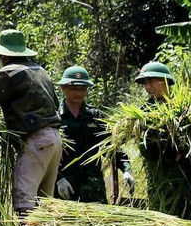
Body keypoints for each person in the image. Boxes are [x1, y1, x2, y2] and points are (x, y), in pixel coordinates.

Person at [0, 29, 61, 216]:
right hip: (55, 139)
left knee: (24, 198)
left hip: (37, 141)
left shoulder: (10, 72)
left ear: (4, 55)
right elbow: (56, 104)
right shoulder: (40, 71)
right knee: (44, 202)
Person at [55, 65, 133, 203]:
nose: (79, 93)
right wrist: (58, 179)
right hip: (64, 187)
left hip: (93, 188)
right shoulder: (54, 117)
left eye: (83, 89)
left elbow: (110, 147)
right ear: (63, 88)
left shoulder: (96, 116)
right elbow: (45, 154)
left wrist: (126, 169)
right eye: (74, 88)